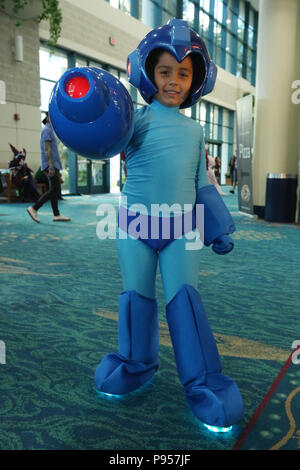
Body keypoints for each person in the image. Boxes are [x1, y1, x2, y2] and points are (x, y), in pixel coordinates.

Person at [93, 19, 244, 431]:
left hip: (183, 229)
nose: (173, 81)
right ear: (148, 73)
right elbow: (102, 140)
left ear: (196, 79)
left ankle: (204, 383)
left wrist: (218, 229)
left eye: (183, 73)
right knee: (135, 299)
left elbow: (202, 185)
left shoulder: (196, 131)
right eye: (165, 71)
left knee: (185, 303)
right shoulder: (134, 122)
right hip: (133, 227)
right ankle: (134, 364)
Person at [27, 112, 70, 223]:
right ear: (47, 118)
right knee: (54, 190)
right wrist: (50, 166)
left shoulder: (50, 130)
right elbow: (47, 149)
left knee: (54, 190)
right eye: (53, 116)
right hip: (50, 165)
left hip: (53, 164)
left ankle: (56, 214)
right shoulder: (46, 130)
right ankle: (34, 208)